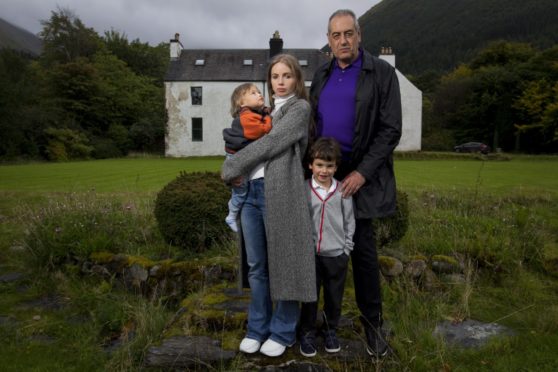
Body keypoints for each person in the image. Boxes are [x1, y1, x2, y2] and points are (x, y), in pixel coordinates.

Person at [309, 9, 402, 357]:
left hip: (360, 175)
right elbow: (311, 125)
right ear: (329, 40)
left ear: (359, 36)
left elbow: (390, 129)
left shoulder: (381, 73)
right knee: (316, 252)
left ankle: (373, 328)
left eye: (349, 34)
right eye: (336, 35)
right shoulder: (321, 74)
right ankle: (313, 324)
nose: (343, 41)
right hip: (323, 173)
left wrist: (361, 173)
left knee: (362, 253)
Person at [221, 54, 316, 357]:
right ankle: (257, 328)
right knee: (257, 267)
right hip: (250, 194)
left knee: (285, 263)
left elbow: (271, 144)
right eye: (275, 76)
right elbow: (237, 139)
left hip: (281, 194)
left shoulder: (298, 109)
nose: (280, 82)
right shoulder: (260, 110)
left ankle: (283, 331)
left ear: (297, 80)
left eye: (287, 76)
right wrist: (237, 171)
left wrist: (231, 167)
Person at [299, 137, 355, 357]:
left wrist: (346, 249)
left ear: (336, 167)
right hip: (311, 255)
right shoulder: (304, 189)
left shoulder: (342, 191)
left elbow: (350, 221)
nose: (324, 170)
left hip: (336, 254)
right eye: (320, 165)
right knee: (310, 297)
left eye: (329, 166)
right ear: (310, 165)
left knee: (334, 297)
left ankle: (331, 330)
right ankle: (307, 332)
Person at [222, 83, 272, 232]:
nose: (259, 94)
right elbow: (262, 130)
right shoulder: (246, 118)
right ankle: (231, 215)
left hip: (239, 155)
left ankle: (233, 213)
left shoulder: (253, 114)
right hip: (236, 157)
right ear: (241, 103)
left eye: (258, 92)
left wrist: (264, 112)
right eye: (253, 93)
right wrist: (269, 117)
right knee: (241, 189)